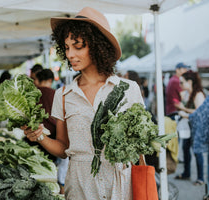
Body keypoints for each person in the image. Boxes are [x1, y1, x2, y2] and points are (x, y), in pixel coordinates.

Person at [22, 7, 144, 199]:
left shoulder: (129, 90)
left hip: (120, 187)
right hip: (80, 187)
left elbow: (140, 144)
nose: (70, 54)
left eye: (78, 46)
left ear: (97, 46)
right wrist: (40, 136)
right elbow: (63, 148)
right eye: (67, 47)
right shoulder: (63, 94)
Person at [174, 71, 206, 186]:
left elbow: (199, 112)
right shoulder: (188, 93)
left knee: (197, 151)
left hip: (197, 127)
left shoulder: (198, 94)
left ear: (190, 82)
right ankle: (187, 173)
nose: (180, 85)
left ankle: (200, 178)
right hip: (189, 126)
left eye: (182, 83)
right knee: (186, 148)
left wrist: (185, 110)